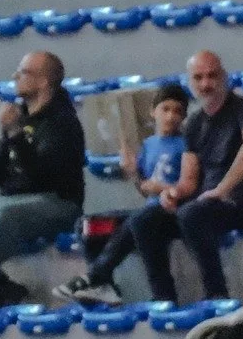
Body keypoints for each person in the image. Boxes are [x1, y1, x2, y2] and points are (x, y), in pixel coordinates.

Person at [128, 52, 243, 303]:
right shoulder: (194, 123)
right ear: (190, 82)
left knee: (192, 215)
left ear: (223, 76)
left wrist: (222, 189)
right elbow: (188, 180)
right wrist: (172, 193)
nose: (206, 84)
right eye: (198, 78)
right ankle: (163, 299)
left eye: (211, 76)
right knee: (144, 220)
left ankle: (216, 294)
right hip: (208, 204)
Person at [53, 82, 190, 306]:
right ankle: (104, 285)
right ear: (153, 111)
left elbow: (187, 186)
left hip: (169, 216)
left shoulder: (185, 145)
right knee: (87, 226)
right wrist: (133, 172)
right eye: (165, 109)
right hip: (148, 212)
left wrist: (161, 188)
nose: (171, 116)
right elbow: (144, 189)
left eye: (177, 111)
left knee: (139, 221)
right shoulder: (148, 144)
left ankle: (96, 276)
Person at [0, 51, 86, 309]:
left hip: (58, 203)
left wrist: (15, 133)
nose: (15, 76)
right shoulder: (20, 116)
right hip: (14, 201)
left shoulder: (63, 122)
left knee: (5, 214)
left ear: (43, 81)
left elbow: (41, 177)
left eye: (23, 72)